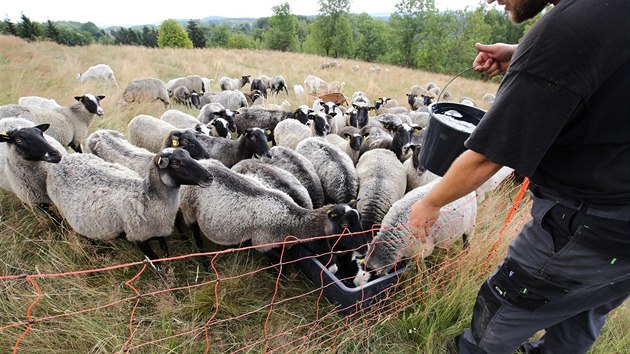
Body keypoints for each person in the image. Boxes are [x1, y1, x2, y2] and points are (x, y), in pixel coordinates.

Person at [409, 0, 630, 353]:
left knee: (505, 304)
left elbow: (489, 156)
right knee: (583, 307)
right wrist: (524, 53)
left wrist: (430, 202)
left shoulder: (566, 31)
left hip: (586, 225)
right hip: (620, 235)